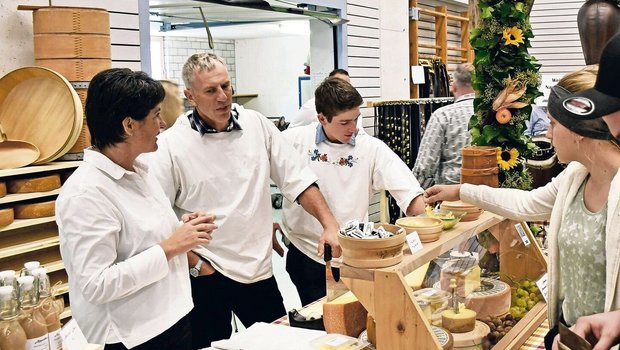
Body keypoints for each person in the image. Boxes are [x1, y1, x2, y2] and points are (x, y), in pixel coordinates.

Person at [148, 53, 341, 349]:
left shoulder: (257, 125)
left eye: (226, 86)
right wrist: (197, 265)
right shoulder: (172, 145)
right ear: (190, 95)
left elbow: (297, 179)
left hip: (258, 271)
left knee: (278, 344)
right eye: (211, 90)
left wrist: (329, 224)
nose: (223, 96)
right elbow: (157, 216)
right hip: (207, 273)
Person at [423, 68, 620, 350]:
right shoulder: (575, 177)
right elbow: (526, 204)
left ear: (578, 129)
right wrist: (461, 191)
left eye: (553, 123)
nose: (547, 132)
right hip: (571, 336)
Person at [55, 68, 217, 349]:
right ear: (129, 125)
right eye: (155, 115)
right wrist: (170, 247)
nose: (162, 123)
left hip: (171, 318)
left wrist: (182, 229)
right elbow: (97, 284)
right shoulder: (86, 193)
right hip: (132, 336)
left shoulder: (139, 170)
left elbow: (140, 239)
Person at [280, 77, 426, 305]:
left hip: (354, 258)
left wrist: (429, 223)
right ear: (322, 118)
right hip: (306, 253)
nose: (353, 128)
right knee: (318, 328)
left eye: (356, 119)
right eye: (344, 122)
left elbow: (410, 194)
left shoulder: (371, 148)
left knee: (354, 327)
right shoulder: (293, 141)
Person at [412, 63, 475, 188]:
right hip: (487, 195)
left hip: (450, 197)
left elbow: (425, 167)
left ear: (453, 86)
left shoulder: (443, 116)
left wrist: (413, 197)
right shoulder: (493, 113)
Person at [288, 68, 353, 128]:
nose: (344, 89)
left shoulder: (349, 106)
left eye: (347, 85)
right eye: (339, 85)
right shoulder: (312, 106)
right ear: (329, 85)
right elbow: (291, 130)